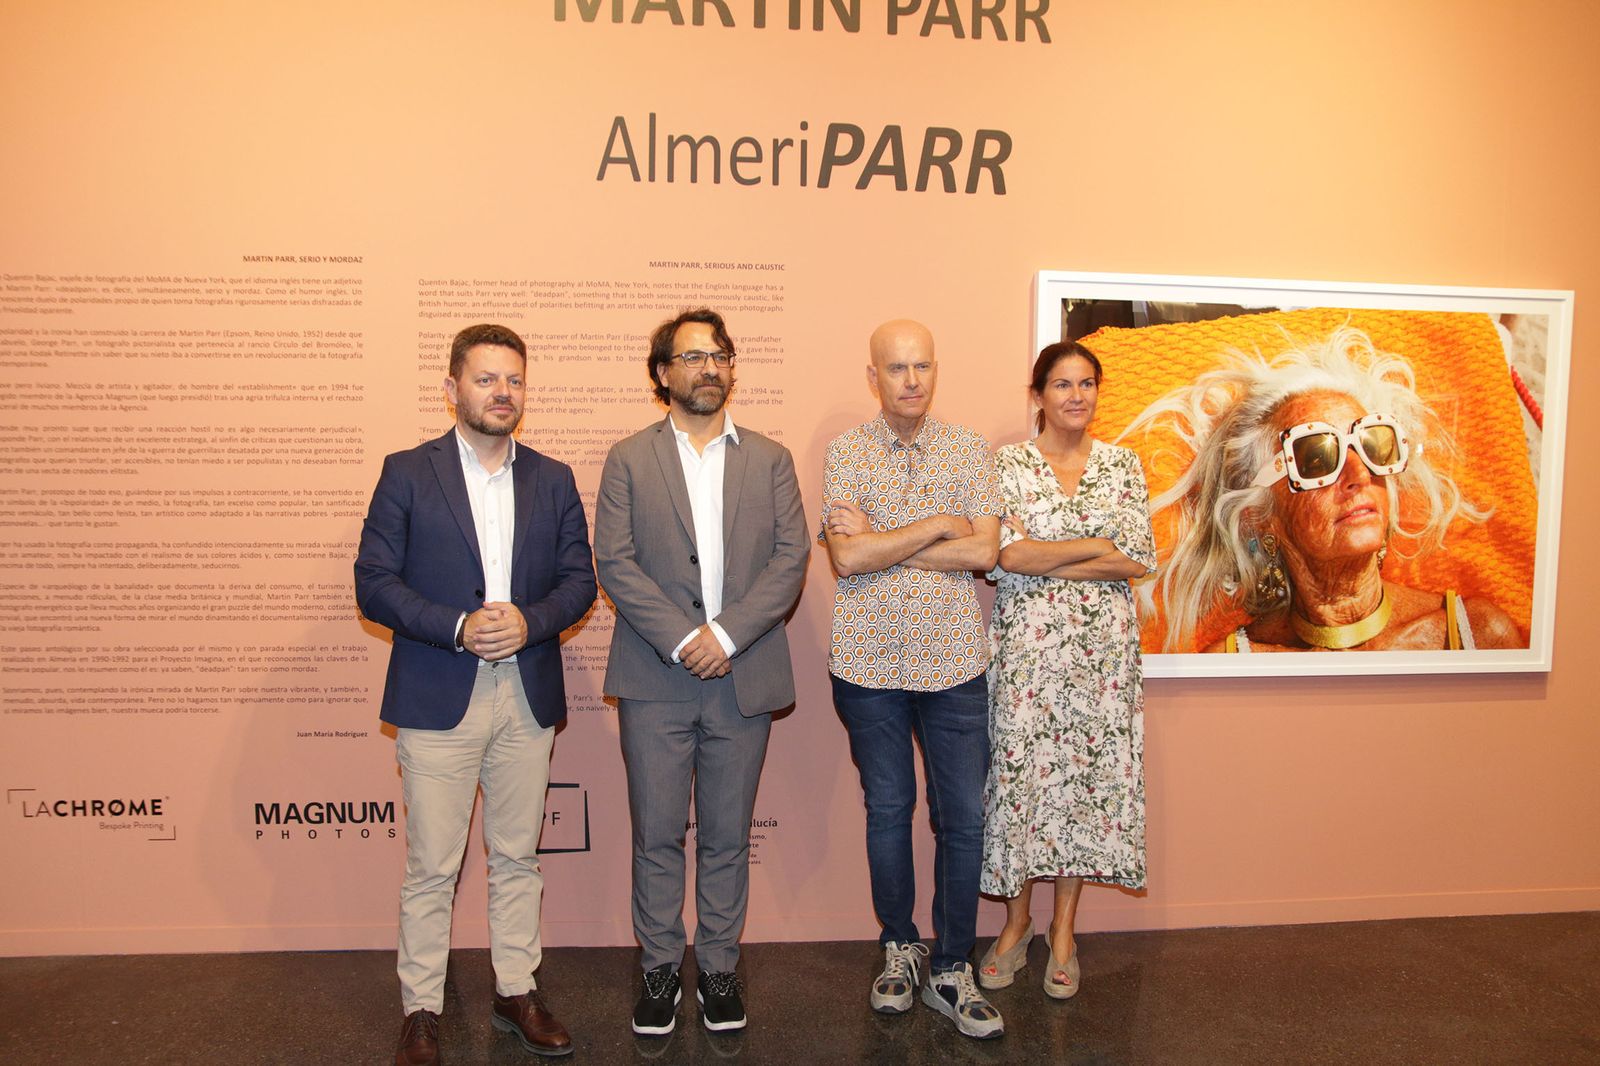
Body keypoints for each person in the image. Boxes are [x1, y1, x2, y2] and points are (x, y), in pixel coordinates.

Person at [355, 323, 597, 1065]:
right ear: (452, 387)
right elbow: (374, 583)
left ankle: (515, 990)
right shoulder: (406, 471)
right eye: (487, 378)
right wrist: (459, 627)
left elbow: (579, 582)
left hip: (524, 693)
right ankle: (422, 1007)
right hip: (438, 689)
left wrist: (529, 621)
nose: (502, 392)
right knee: (433, 864)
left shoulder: (552, 478)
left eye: (514, 380)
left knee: (517, 855)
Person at [594, 308, 808, 1037]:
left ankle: (717, 968)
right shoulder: (628, 457)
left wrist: (725, 635)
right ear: (663, 373)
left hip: (741, 675)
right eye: (691, 356)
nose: (708, 367)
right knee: (656, 834)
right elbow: (614, 563)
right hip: (658, 677)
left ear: (732, 368)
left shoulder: (771, 459)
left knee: (725, 834)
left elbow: (791, 561)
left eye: (719, 355)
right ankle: (659, 969)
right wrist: (688, 638)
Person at [821, 319, 1005, 1040]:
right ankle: (900, 948)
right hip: (868, 665)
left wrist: (885, 539)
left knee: (964, 819)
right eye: (896, 368)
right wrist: (939, 524)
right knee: (888, 809)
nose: (911, 380)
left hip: (955, 664)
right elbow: (846, 561)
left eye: (922, 365)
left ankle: (953, 966)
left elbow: (986, 548)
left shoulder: (968, 449)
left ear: (936, 369)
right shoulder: (845, 452)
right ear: (873, 377)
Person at [1119, 325, 1521, 653]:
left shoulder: (1474, 635)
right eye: (1315, 457)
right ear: (1261, 516)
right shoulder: (1237, 666)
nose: (1358, 472)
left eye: (1374, 444)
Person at [976, 342, 1155, 1001]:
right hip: (1029, 659)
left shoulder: (1123, 465)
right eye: (1062, 384)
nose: (1076, 396)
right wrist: (1093, 547)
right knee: (1022, 787)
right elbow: (1008, 556)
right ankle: (1016, 925)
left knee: (1083, 790)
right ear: (1038, 395)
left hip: (1102, 660)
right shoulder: (1009, 465)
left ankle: (1064, 932)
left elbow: (1135, 558)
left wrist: (1050, 553)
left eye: (1087, 384)